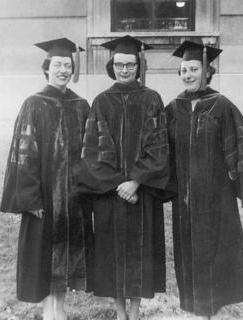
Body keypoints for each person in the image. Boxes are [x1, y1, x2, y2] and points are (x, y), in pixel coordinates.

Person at [0, 38, 93, 320]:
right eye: (58, 65)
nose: (63, 70)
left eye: (68, 65)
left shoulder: (81, 105)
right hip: (45, 199)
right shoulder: (34, 104)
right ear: (46, 69)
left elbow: (90, 151)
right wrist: (30, 198)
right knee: (44, 258)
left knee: (65, 260)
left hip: (74, 199)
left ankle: (59, 311)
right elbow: (24, 152)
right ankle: (49, 313)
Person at [77, 35, 169, 320]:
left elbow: (158, 144)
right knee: (113, 252)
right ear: (112, 65)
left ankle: (135, 310)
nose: (125, 70)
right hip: (111, 193)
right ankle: (119, 312)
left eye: (130, 64)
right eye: (119, 64)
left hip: (142, 191)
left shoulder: (152, 99)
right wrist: (120, 183)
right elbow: (92, 149)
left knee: (140, 252)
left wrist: (136, 180)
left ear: (139, 66)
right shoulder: (101, 101)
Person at [165, 40, 243, 319]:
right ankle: (198, 311)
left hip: (216, 198)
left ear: (207, 71)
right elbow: (162, 149)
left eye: (194, 68)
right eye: (184, 70)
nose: (188, 74)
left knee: (215, 253)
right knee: (189, 254)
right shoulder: (173, 108)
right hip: (185, 200)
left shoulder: (221, 105)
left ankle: (211, 312)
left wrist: (231, 173)